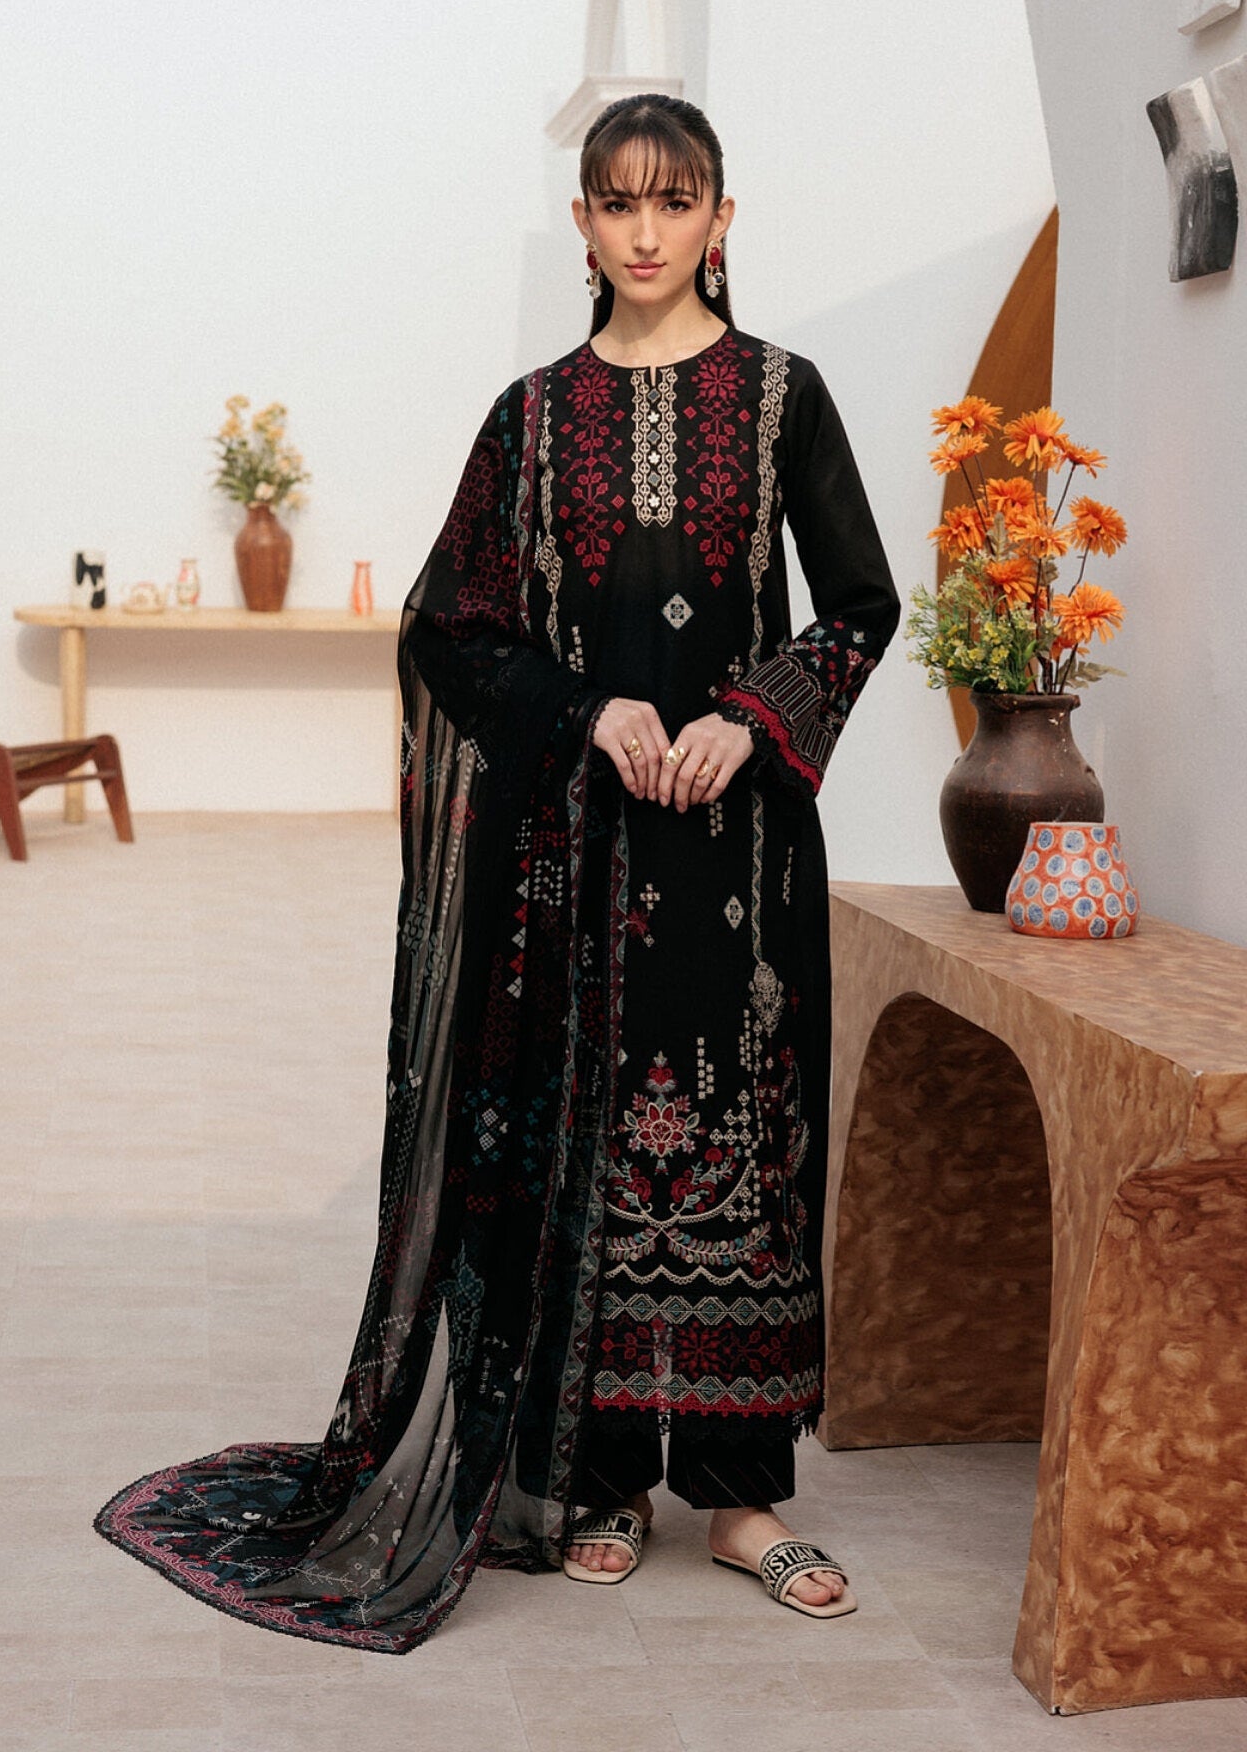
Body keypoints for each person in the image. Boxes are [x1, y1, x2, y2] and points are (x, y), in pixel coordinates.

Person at [93, 93, 900, 1649]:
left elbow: (860, 604)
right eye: (619, 204)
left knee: (747, 1135)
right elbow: (448, 629)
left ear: (722, 219)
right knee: (585, 1145)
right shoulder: (533, 418)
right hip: (578, 856)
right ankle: (602, 1479)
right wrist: (590, 712)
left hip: (737, 856)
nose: (648, 233)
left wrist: (749, 720)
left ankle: (743, 1496)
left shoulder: (783, 398)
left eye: (675, 202)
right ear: (582, 224)